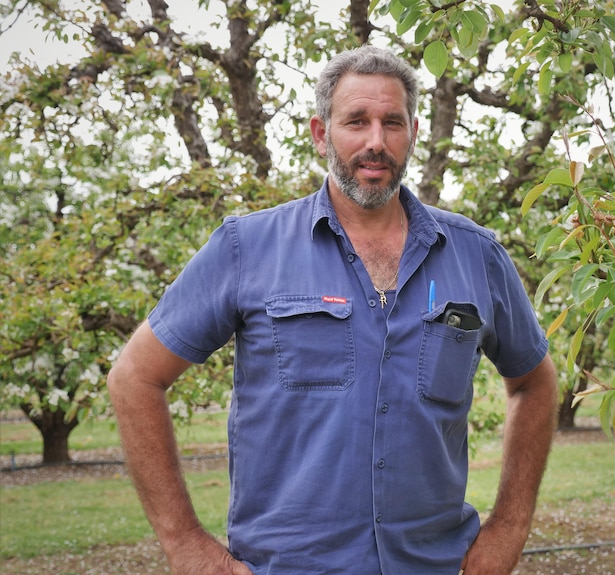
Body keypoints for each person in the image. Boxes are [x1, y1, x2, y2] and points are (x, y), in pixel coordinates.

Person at [107, 45, 558, 575]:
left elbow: (535, 382)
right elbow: (135, 377)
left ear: (413, 131)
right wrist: (185, 544)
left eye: (393, 122)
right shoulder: (245, 248)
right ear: (321, 133)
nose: (376, 142)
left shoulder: (475, 255)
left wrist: (508, 528)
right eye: (356, 122)